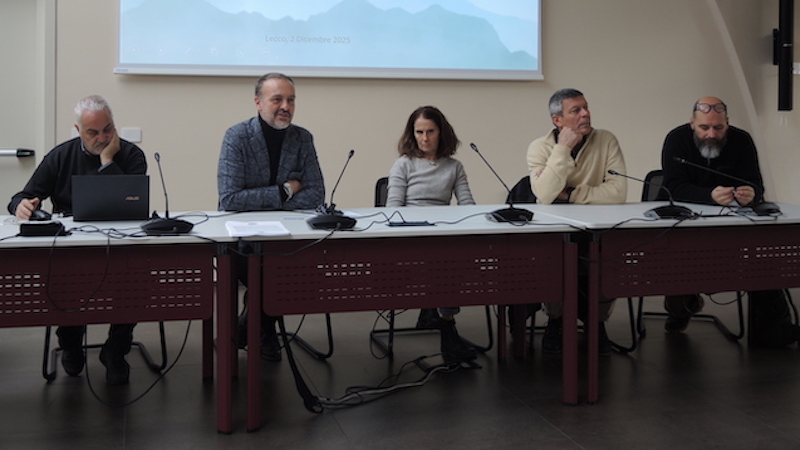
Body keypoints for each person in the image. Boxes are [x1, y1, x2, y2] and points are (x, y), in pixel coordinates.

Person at [7, 95, 147, 384]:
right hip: (72, 246)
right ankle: (70, 342)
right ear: (78, 130)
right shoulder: (61, 156)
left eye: (107, 129)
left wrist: (107, 161)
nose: (102, 138)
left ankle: (116, 350)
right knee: (66, 279)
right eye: (93, 132)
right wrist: (21, 206)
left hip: (121, 243)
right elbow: (22, 196)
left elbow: (128, 198)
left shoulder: (132, 155)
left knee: (135, 281)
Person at [660, 96, 800, 346]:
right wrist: (709, 196)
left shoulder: (742, 140)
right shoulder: (676, 139)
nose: (711, 134)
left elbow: (755, 184)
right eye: (704, 127)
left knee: (763, 256)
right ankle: (683, 305)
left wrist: (750, 194)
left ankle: (773, 330)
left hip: (731, 225)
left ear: (728, 123)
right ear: (692, 123)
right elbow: (673, 187)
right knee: (677, 259)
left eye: (719, 127)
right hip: (682, 226)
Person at [218, 73, 325, 361]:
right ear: (258, 102)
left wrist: (263, 202)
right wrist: (285, 191)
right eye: (277, 99)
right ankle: (263, 331)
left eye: (291, 100)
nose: (285, 107)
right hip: (243, 239)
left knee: (286, 266)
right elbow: (230, 199)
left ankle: (247, 326)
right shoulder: (237, 136)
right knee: (266, 271)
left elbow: (316, 194)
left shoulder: (302, 138)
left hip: (289, 236)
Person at [527, 88, 627, 356]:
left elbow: (618, 192)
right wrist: (562, 149)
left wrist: (570, 195)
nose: (586, 114)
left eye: (586, 107)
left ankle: (597, 323)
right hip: (555, 230)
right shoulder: (540, 147)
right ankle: (556, 320)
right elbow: (545, 195)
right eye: (576, 110)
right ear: (557, 120)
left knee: (608, 257)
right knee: (553, 258)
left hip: (598, 227)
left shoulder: (606, 140)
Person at [386, 105, 477, 362]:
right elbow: (392, 209)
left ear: (441, 133)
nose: (424, 138)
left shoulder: (454, 167)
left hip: (441, 236)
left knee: (452, 257)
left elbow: (468, 205)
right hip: (411, 238)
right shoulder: (403, 164)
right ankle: (446, 327)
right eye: (419, 132)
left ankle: (436, 314)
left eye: (430, 131)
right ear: (412, 134)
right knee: (445, 262)